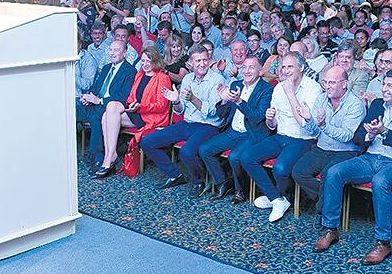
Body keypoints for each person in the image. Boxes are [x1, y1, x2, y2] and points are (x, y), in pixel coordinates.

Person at [314, 69, 392, 264]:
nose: (385, 89)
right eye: (384, 84)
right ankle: (330, 229)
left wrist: (384, 132)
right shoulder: (376, 105)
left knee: (380, 181)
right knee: (334, 172)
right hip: (370, 157)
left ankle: (383, 242)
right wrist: (370, 135)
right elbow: (358, 137)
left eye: (390, 85)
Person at [240, 52, 322, 222]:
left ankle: (278, 197)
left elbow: (307, 126)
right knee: (247, 157)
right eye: (283, 67)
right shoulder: (278, 87)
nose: (285, 70)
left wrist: (291, 93)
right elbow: (273, 126)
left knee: (280, 168)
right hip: (281, 136)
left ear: (301, 67)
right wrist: (270, 119)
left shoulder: (313, 88)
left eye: (290, 66)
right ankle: (277, 198)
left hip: (303, 139)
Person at [140, 44, 224, 196]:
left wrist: (192, 98)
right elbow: (180, 110)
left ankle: (198, 181)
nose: (202, 64)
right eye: (198, 61)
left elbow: (212, 112)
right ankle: (175, 175)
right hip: (188, 123)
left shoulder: (217, 79)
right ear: (190, 63)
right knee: (147, 142)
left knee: (186, 151)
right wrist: (176, 101)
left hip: (208, 125)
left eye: (205, 60)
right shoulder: (187, 79)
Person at [292, 65, 367, 226]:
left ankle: (323, 210)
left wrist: (324, 125)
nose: (327, 86)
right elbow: (315, 131)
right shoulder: (321, 98)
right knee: (298, 171)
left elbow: (348, 136)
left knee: (328, 174)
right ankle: (327, 202)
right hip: (323, 147)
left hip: (346, 151)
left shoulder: (355, 105)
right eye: (325, 82)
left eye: (332, 82)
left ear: (344, 84)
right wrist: (308, 119)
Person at [198, 56, 274, 203]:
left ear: (259, 71)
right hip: (233, 131)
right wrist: (224, 100)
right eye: (244, 67)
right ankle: (223, 183)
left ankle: (241, 190)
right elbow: (222, 114)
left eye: (251, 67)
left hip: (252, 133)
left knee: (234, 157)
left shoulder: (267, 90)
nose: (246, 71)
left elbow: (258, 117)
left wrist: (239, 101)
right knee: (205, 149)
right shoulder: (235, 84)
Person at [92, 47, 172, 178]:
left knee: (109, 111)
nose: (145, 64)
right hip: (136, 112)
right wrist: (132, 104)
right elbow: (130, 97)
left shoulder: (162, 78)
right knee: (107, 114)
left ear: (155, 61)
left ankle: (109, 159)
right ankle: (110, 154)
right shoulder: (140, 74)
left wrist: (140, 107)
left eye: (149, 61)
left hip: (151, 117)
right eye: (143, 60)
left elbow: (162, 106)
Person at [79, 40, 137, 167]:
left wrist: (99, 100)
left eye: (116, 50)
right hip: (95, 103)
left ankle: (98, 156)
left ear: (125, 53)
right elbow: (96, 88)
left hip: (111, 106)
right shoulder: (106, 68)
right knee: (72, 110)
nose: (111, 53)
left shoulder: (130, 71)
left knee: (96, 117)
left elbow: (123, 96)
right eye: (110, 50)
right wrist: (89, 97)